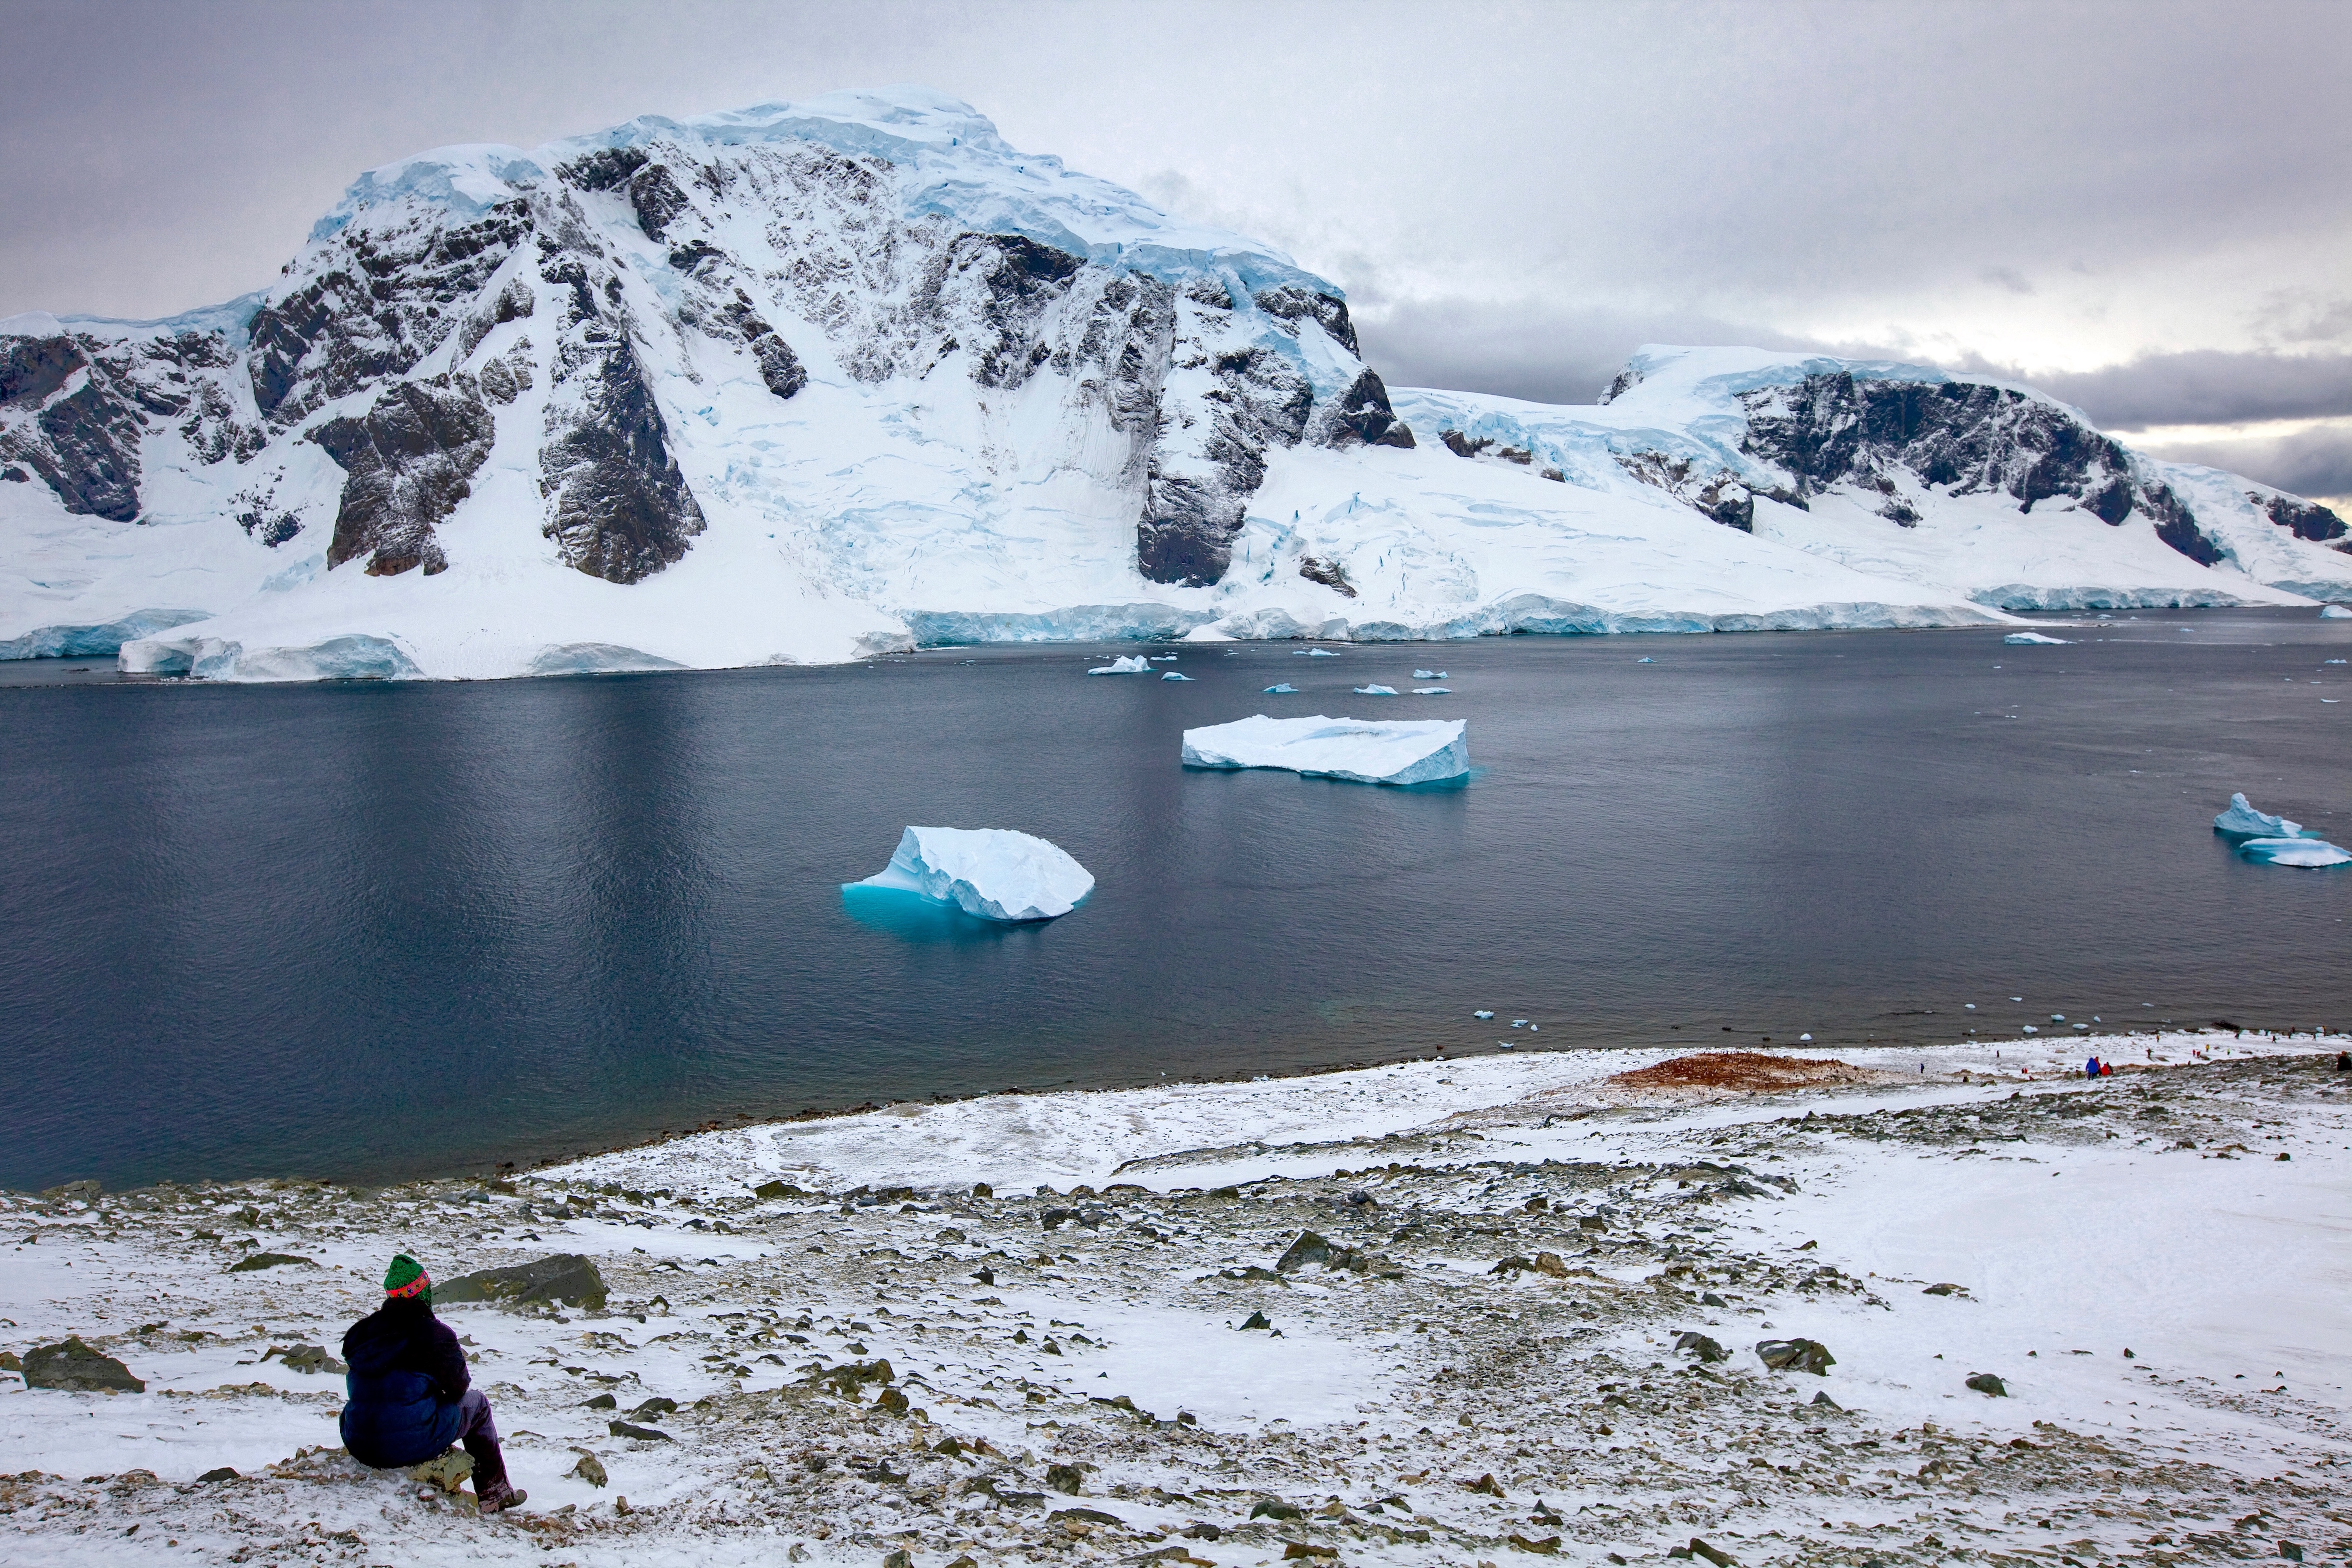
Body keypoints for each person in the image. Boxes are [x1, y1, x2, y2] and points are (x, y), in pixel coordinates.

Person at [340, 1254, 525, 1513]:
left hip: (357, 1440)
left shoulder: (361, 1334)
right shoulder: (434, 1335)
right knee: (478, 1404)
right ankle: (495, 1494)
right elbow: (459, 1389)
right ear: (422, 1292)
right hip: (409, 1444)